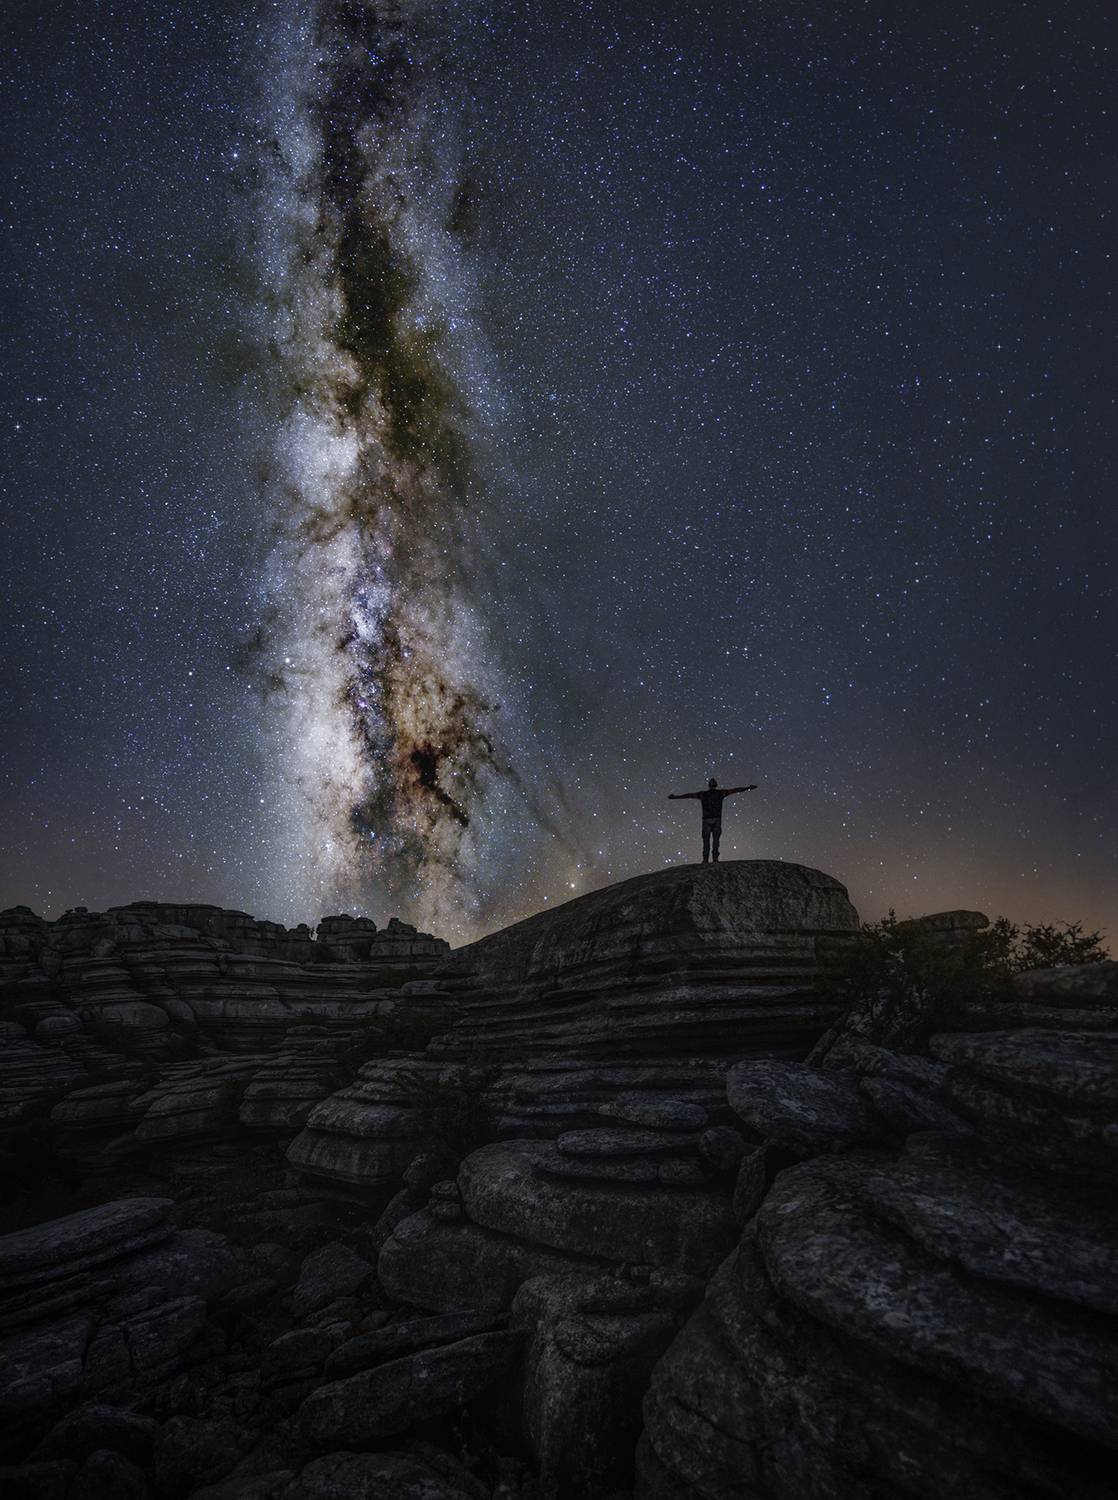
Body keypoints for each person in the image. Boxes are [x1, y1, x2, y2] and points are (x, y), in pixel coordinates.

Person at [668, 778, 758, 863]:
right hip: (716, 819)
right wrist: (748, 788)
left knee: (706, 841)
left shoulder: (702, 794)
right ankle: (715, 859)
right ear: (716, 785)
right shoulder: (721, 793)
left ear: (709, 785)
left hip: (706, 820)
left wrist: (676, 797)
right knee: (716, 840)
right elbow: (735, 790)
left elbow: (688, 795)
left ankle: (705, 859)